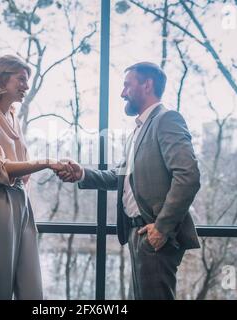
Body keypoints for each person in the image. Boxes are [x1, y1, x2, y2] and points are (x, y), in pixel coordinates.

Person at [57, 62, 201, 299]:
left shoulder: (167, 120)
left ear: (147, 85)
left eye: (127, 85)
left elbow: (188, 176)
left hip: (156, 234)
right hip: (140, 233)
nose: (123, 93)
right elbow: (121, 177)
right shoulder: (138, 130)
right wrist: (81, 173)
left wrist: (161, 228)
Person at [0, 55, 71, 299]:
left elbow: (19, 167)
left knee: (31, 288)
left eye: (27, 81)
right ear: (3, 79)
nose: (26, 85)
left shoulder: (13, 116)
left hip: (21, 202)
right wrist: (45, 162)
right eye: (21, 79)